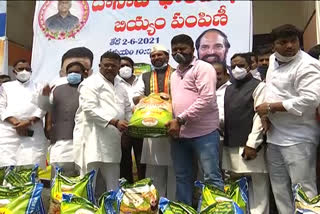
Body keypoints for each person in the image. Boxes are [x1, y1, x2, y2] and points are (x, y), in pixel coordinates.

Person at [256, 24, 320, 214]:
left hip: (299, 137)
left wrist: (271, 107)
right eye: (283, 42)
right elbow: (271, 89)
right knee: (279, 187)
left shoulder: (307, 64)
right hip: (275, 135)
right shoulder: (273, 60)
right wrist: (266, 114)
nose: (290, 46)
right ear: (274, 45)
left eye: (294, 41)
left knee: (303, 188)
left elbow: (311, 99)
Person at [166, 34, 224, 205]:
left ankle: (216, 209)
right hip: (180, 136)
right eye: (174, 49)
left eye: (182, 48)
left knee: (211, 176)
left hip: (204, 134)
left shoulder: (203, 68)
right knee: (182, 177)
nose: (178, 52)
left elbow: (206, 99)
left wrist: (181, 119)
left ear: (192, 49)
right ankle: (185, 209)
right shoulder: (175, 74)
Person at [73, 51, 131, 193]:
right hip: (92, 139)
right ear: (100, 66)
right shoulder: (90, 83)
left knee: (113, 186)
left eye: (113, 66)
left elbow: (127, 109)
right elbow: (89, 108)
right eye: (106, 65)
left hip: (113, 142)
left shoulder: (121, 86)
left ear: (118, 67)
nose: (110, 68)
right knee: (88, 185)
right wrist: (115, 122)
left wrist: (130, 127)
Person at [223, 53, 269, 214]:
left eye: (241, 65)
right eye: (233, 65)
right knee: (237, 187)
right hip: (231, 145)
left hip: (250, 145)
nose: (237, 69)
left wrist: (252, 144)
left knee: (258, 186)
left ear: (250, 65)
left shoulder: (259, 86)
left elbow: (259, 116)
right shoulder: (229, 88)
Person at [133, 44, 176, 199]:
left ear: (167, 56)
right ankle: (155, 206)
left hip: (172, 127)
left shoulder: (177, 74)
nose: (156, 58)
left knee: (175, 171)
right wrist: (151, 101)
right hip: (151, 128)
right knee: (154, 171)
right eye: (153, 56)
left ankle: (172, 206)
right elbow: (136, 95)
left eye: (160, 55)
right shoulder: (145, 76)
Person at [38, 62, 86, 176]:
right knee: (59, 180)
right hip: (61, 141)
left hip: (84, 140)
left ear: (84, 73)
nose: (73, 74)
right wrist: (44, 96)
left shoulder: (89, 88)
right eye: (70, 72)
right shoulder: (57, 89)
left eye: (76, 72)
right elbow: (45, 107)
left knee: (81, 180)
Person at [0, 59, 48, 169]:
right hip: (9, 132)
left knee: (30, 166)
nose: (24, 71)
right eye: (21, 69)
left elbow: (43, 107)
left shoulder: (39, 87)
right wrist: (17, 123)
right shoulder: (5, 87)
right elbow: (1, 107)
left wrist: (28, 122)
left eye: (28, 69)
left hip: (33, 132)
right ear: (14, 71)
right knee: (7, 166)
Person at [118, 56, 146, 183]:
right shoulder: (115, 83)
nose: (124, 68)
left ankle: (143, 187)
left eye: (127, 65)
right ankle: (126, 188)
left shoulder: (142, 81)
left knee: (142, 159)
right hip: (123, 127)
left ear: (133, 67)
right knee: (124, 160)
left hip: (141, 127)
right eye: (121, 66)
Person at [213, 62, 231, 133]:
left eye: (218, 74)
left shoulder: (233, 88)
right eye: (212, 74)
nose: (215, 77)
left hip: (228, 132)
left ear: (225, 74)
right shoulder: (204, 90)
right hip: (209, 133)